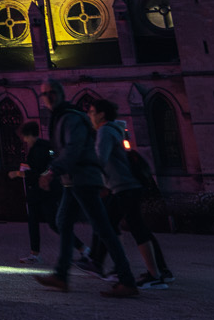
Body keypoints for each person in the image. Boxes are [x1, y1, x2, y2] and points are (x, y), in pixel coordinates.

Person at [33, 82, 137, 298]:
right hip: (74, 180)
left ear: (61, 94)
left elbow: (74, 148)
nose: (48, 97)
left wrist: (52, 171)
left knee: (103, 228)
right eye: (44, 94)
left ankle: (127, 280)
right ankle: (61, 276)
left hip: (82, 178)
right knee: (63, 221)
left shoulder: (69, 118)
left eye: (52, 93)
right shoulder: (63, 116)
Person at [85, 99, 172, 288]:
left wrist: (85, 172)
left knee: (135, 227)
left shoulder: (105, 131)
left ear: (101, 114)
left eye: (91, 112)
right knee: (112, 224)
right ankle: (123, 267)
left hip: (125, 187)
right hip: (121, 187)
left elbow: (100, 159)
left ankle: (155, 275)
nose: (89, 115)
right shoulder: (113, 130)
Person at [12, 119, 56, 265]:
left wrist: (19, 174)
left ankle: (83, 249)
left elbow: (38, 171)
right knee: (37, 222)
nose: (24, 140)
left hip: (41, 191)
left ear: (30, 135)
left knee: (53, 222)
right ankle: (34, 253)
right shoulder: (45, 146)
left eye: (25, 137)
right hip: (40, 191)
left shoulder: (39, 148)